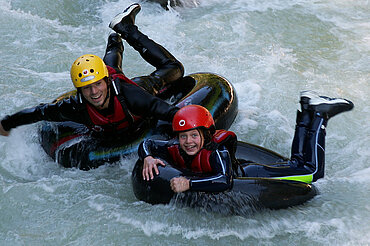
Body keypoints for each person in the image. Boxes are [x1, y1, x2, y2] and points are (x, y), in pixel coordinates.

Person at [0, 4, 183, 142]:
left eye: (97, 84)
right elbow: (41, 112)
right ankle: (114, 37)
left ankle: (126, 29)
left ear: (107, 82)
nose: (94, 92)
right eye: (86, 88)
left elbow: (173, 114)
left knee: (174, 68)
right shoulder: (75, 106)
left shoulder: (134, 97)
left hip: (138, 88)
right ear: (79, 91)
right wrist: (7, 124)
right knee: (111, 65)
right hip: (110, 82)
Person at [138, 92, 354, 193]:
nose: (188, 142)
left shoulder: (216, 153)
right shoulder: (175, 147)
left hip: (253, 176)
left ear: (206, 135)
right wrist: (147, 157)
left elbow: (224, 180)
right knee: (297, 163)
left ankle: (319, 116)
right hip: (248, 169)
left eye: (194, 135)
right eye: (183, 136)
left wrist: (189, 183)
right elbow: (148, 144)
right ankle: (308, 108)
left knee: (312, 172)